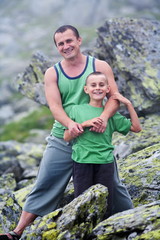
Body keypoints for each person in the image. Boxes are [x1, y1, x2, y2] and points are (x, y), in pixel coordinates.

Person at [0, 25, 134, 239]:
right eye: (60, 43)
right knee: (46, 180)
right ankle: (16, 232)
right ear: (57, 47)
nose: (66, 46)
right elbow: (55, 107)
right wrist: (71, 124)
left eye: (69, 41)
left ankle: (135, 221)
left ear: (79, 41)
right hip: (64, 135)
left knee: (112, 185)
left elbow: (115, 98)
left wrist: (104, 118)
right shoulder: (53, 72)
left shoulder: (99, 65)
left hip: (95, 137)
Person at [63, 71, 141, 218]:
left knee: (105, 204)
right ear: (86, 89)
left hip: (105, 163)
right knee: (82, 204)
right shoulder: (76, 110)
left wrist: (128, 104)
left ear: (107, 89)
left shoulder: (111, 114)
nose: (97, 88)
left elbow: (136, 128)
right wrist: (85, 124)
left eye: (101, 85)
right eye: (93, 85)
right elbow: (66, 136)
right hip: (82, 163)